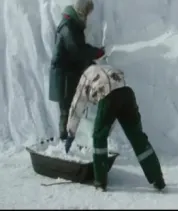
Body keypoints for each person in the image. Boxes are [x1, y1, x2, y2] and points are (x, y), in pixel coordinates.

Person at [64, 64, 166, 192]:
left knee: (98, 136)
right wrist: (106, 128)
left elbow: (76, 107)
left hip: (108, 95)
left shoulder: (85, 78)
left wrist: (70, 133)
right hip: (127, 94)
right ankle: (158, 179)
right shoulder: (105, 67)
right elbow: (115, 107)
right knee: (137, 136)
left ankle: (100, 182)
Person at [48, 0, 105, 140]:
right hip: (64, 75)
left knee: (69, 108)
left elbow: (75, 54)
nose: (86, 18)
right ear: (80, 13)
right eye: (86, 14)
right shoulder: (68, 27)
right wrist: (96, 53)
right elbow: (77, 50)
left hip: (68, 73)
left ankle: (67, 140)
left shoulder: (71, 25)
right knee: (66, 109)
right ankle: (64, 141)